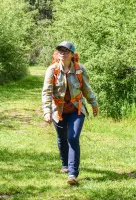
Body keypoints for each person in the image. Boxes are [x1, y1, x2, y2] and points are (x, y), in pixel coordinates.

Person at [42, 41, 98, 185]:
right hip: (58, 110)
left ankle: (72, 174)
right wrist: (47, 111)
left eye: (66, 51)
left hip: (76, 109)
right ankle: (65, 164)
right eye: (60, 50)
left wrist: (93, 103)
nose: (62, 52)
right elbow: (47, 92)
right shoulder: (52, 70)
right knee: (62, 138)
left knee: (73, 138)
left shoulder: (80, 69)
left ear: (72, 54)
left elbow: (86, 88)